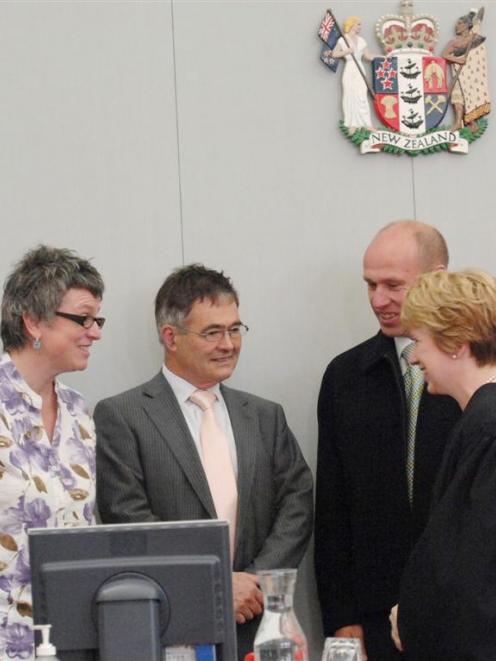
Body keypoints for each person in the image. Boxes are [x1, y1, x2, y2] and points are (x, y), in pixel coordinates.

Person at [94, 264, 313, 660]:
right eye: (213, 332)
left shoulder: (265, 416)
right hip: (169, 626)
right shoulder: (122, 416)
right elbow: (127, 517)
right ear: (170, 337)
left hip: (257, 625)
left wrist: (255, 584)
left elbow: (297, 502)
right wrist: (215, 588)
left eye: (235, 329)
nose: (228, 344)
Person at [314, 221, 461, 661]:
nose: (379, 300)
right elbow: (333, 509)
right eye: (370, 285)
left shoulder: (476, 374)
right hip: (376, 620)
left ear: (436, 277)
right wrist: (342, 619)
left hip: (466, 613)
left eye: (393, 285)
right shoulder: (345, 377)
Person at [0, 245, 104, 660]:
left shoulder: (79, 413)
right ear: (33, 322)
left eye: (97, 319)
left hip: (71, 642)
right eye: (83, 318)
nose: (95, 331)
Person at [389, 269, 496, 660]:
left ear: (455, 343)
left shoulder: (488, 425)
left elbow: (477, 573)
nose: (414, 357)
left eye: (419, 341)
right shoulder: (479, 419)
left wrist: (415, 618)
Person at [442, 9, 490, 131]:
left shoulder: (473, 37)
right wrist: (458, 60)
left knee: (471, 93)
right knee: (457, 95)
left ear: (467, 25)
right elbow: (445, 55)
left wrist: (477, 22)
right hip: (459, 74)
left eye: (459, 24)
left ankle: (471, 120)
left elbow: (478, 48)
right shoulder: (454, 42)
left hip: (471, 73)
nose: (456, 26)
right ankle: (458, 122)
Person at [331, 16, 374, 131]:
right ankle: (352, 123)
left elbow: (368, 56)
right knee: (350, 94)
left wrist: (383, 57)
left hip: (359, 67)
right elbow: (334, 54)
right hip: (350, 68)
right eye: (358, 24)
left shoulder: (361, 40)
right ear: (352, 24)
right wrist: (346, 51)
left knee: (362, 95)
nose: (360, 27)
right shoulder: (343, 40)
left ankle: (367, 123)